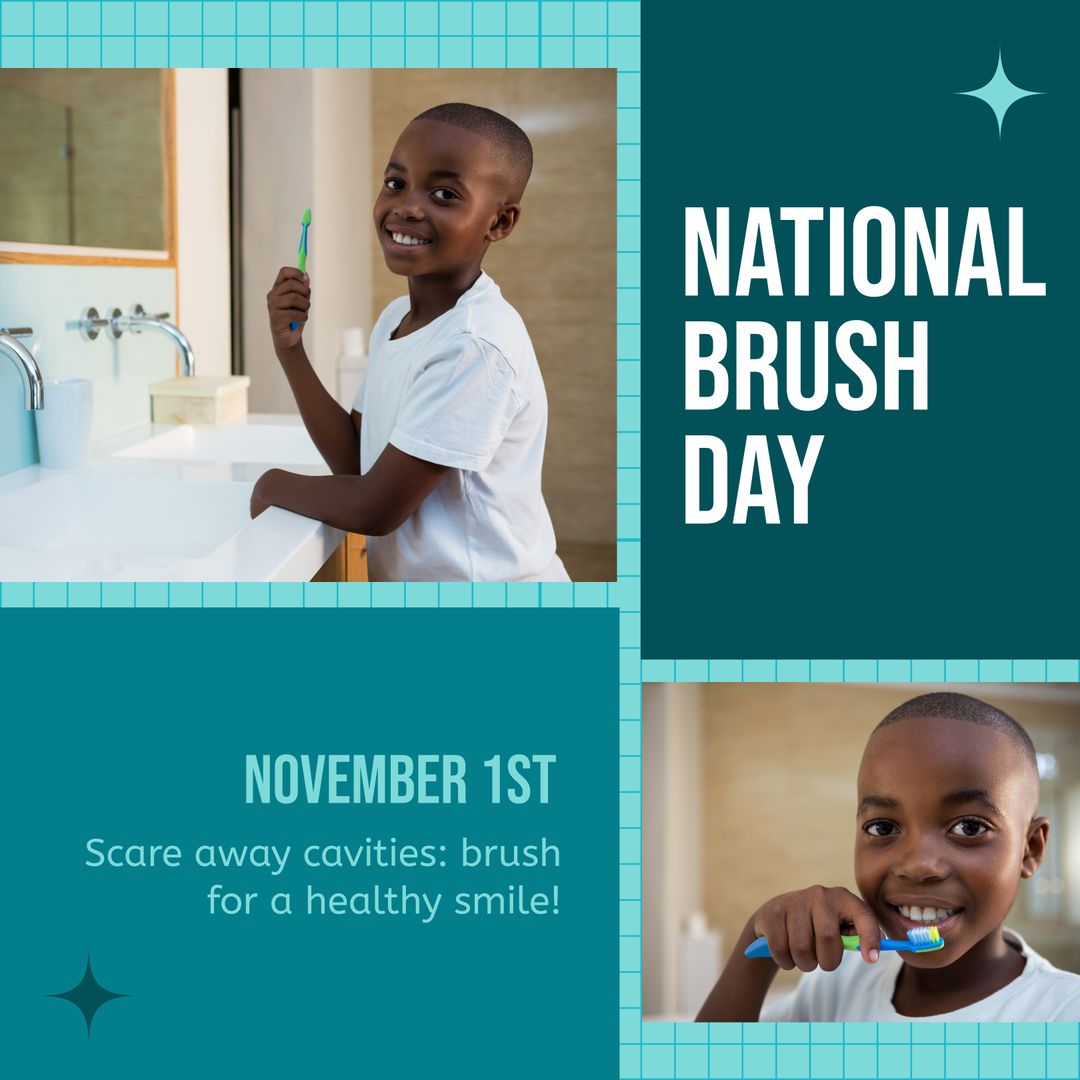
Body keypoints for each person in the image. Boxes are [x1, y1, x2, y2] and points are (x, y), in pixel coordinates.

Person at [253, 102, 568, 583]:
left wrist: (271, 484)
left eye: (444, 193)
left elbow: (376, 507)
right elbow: (357, 461)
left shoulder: (475, 344)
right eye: (396, 183)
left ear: (500, 223)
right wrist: (290, 352)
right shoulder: (398, 319)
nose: (407, 206)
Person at [697, 692, 1080, 1021]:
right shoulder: (841, 977)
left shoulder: (1064, 1013)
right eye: (883, 828)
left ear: (1030, 850)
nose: (917, 865)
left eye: (969, 827)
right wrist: (759, 946)